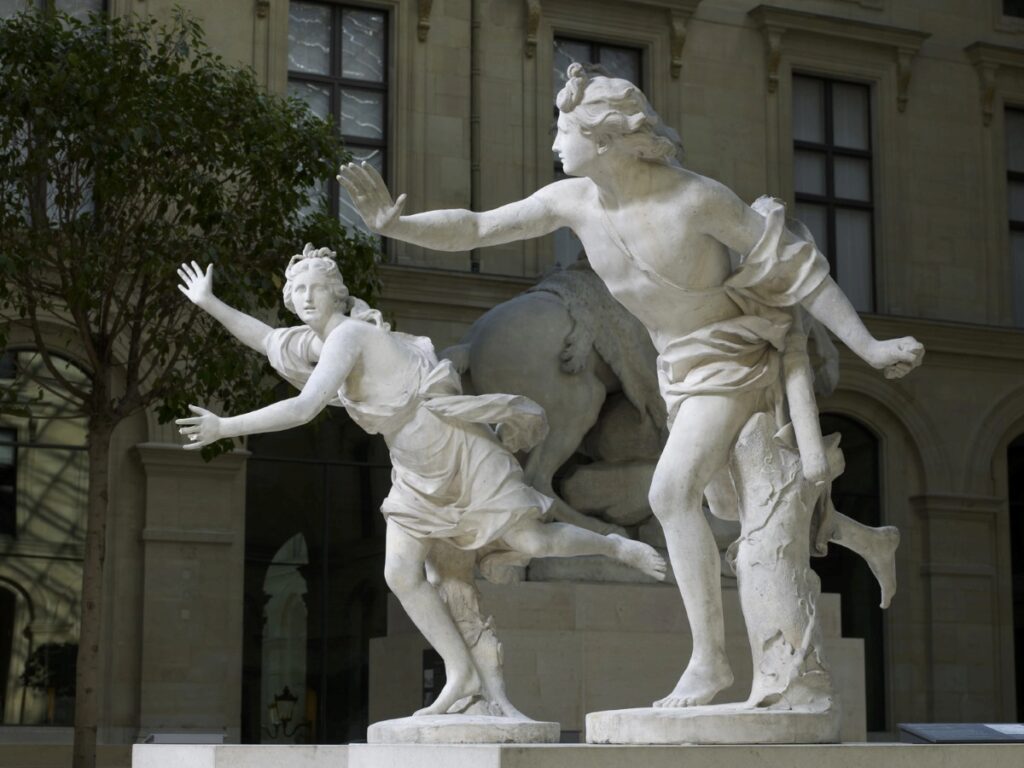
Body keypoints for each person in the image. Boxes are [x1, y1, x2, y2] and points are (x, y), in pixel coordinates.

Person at [336, 63, 923, 708]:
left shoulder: (696, 199)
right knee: (735, 511)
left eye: (564, 130)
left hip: (734, 362)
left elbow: (799, 269)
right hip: (676, 372)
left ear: (608, 139)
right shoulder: (575, 202)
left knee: (672, 495)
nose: (555, 144)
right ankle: (867, 539)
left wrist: (869, 344)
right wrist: (397, 225)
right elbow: (479, 226)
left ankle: (710, 663)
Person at [174, 246, 666, 717]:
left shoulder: (350, 336)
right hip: (413, 468)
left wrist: (226, 426)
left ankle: (615, 548)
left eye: (316, 288)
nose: (305, 298)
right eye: (297, 289)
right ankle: (462, 675)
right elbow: (265, 339)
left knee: (529, 538)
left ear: (337, 296)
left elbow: (305, 408)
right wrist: (209, 303)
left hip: (458, 449)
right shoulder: (316, 343)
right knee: (401, 574)